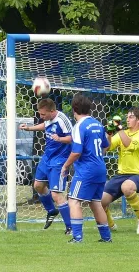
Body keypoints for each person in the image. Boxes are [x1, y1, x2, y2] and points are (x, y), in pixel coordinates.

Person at [61, 94, 111, 243]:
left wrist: (65, 166)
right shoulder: (97, 124)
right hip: (100, 168)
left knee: (73, 200)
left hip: (87, 170)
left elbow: (76, 152)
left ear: (74, 109)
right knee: (95, 202)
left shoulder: (78, 127)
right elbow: (106, 146)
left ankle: (77, 237)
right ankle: (106, 237)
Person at [19, 98, 73, 234]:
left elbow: (72, 138)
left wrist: (60, 139)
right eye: (40, 114)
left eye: (43, 115)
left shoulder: (62, 120)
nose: (41, 117)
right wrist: (30, 128)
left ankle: (70, 227)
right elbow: (45, 125)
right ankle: (51, 211)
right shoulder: (48, 119)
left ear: (52, 111)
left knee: (56, 194)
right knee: (38, 185)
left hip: (60, 160)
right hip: (47, 158)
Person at [101, 108, 139, 235]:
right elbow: (105, 148)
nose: (127, 119)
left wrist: (120, 130)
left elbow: (129, 145)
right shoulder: (123, 133)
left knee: (127, 187)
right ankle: (111, 225)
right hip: (122, 174)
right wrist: (109, 133)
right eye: (127, 117)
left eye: (131, 117)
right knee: (100, 201)